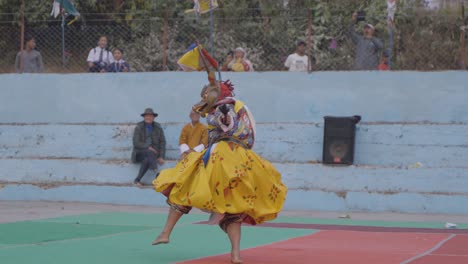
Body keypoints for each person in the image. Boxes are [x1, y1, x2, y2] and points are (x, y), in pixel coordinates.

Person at [151, 76, 287, 264]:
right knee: (233, 209)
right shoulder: (233, 106)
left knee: (183, 187)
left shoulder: (227, 108)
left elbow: (227, 122)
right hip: (240, 158)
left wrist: (223, 113)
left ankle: (165, 232)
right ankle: (236, 254)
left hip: (221, 156)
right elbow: (200, 108)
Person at [131, 108, 166, 186]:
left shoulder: (158, 127)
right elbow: (136, 143)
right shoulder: (139, 127)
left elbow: (162, 142)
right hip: (139, 153)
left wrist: (161, 156)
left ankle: (137, 180)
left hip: (152, 155)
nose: (148, 117)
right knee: (148, 151)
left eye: (150, 116)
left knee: (147, 159)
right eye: (146, 116)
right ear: (144, 117)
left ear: (153, 117)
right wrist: (147, 147)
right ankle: (157, 173)